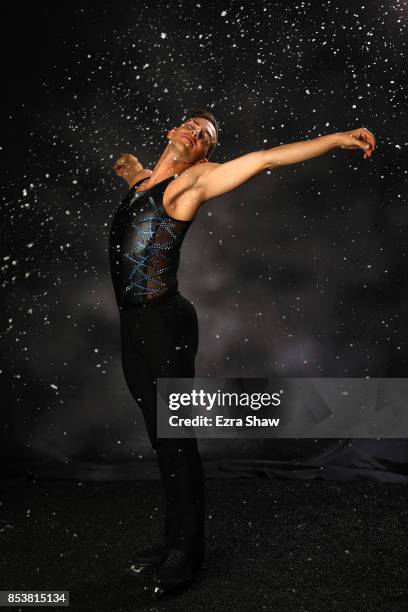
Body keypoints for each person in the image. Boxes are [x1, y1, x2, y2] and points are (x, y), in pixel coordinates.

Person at [110, 110, 376, 596]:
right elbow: (134, 173)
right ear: (172, 131)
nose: (196, 133)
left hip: (164, 323)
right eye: (191, 125)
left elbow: (265, 158)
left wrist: (334, 138)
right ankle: (172, 540)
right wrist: (127, 166)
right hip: (133, 324)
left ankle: (186, 557)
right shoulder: (147, 179)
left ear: (206, 153)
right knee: (157, 436)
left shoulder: (195, 183)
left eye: (206, 137)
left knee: (176, 440)